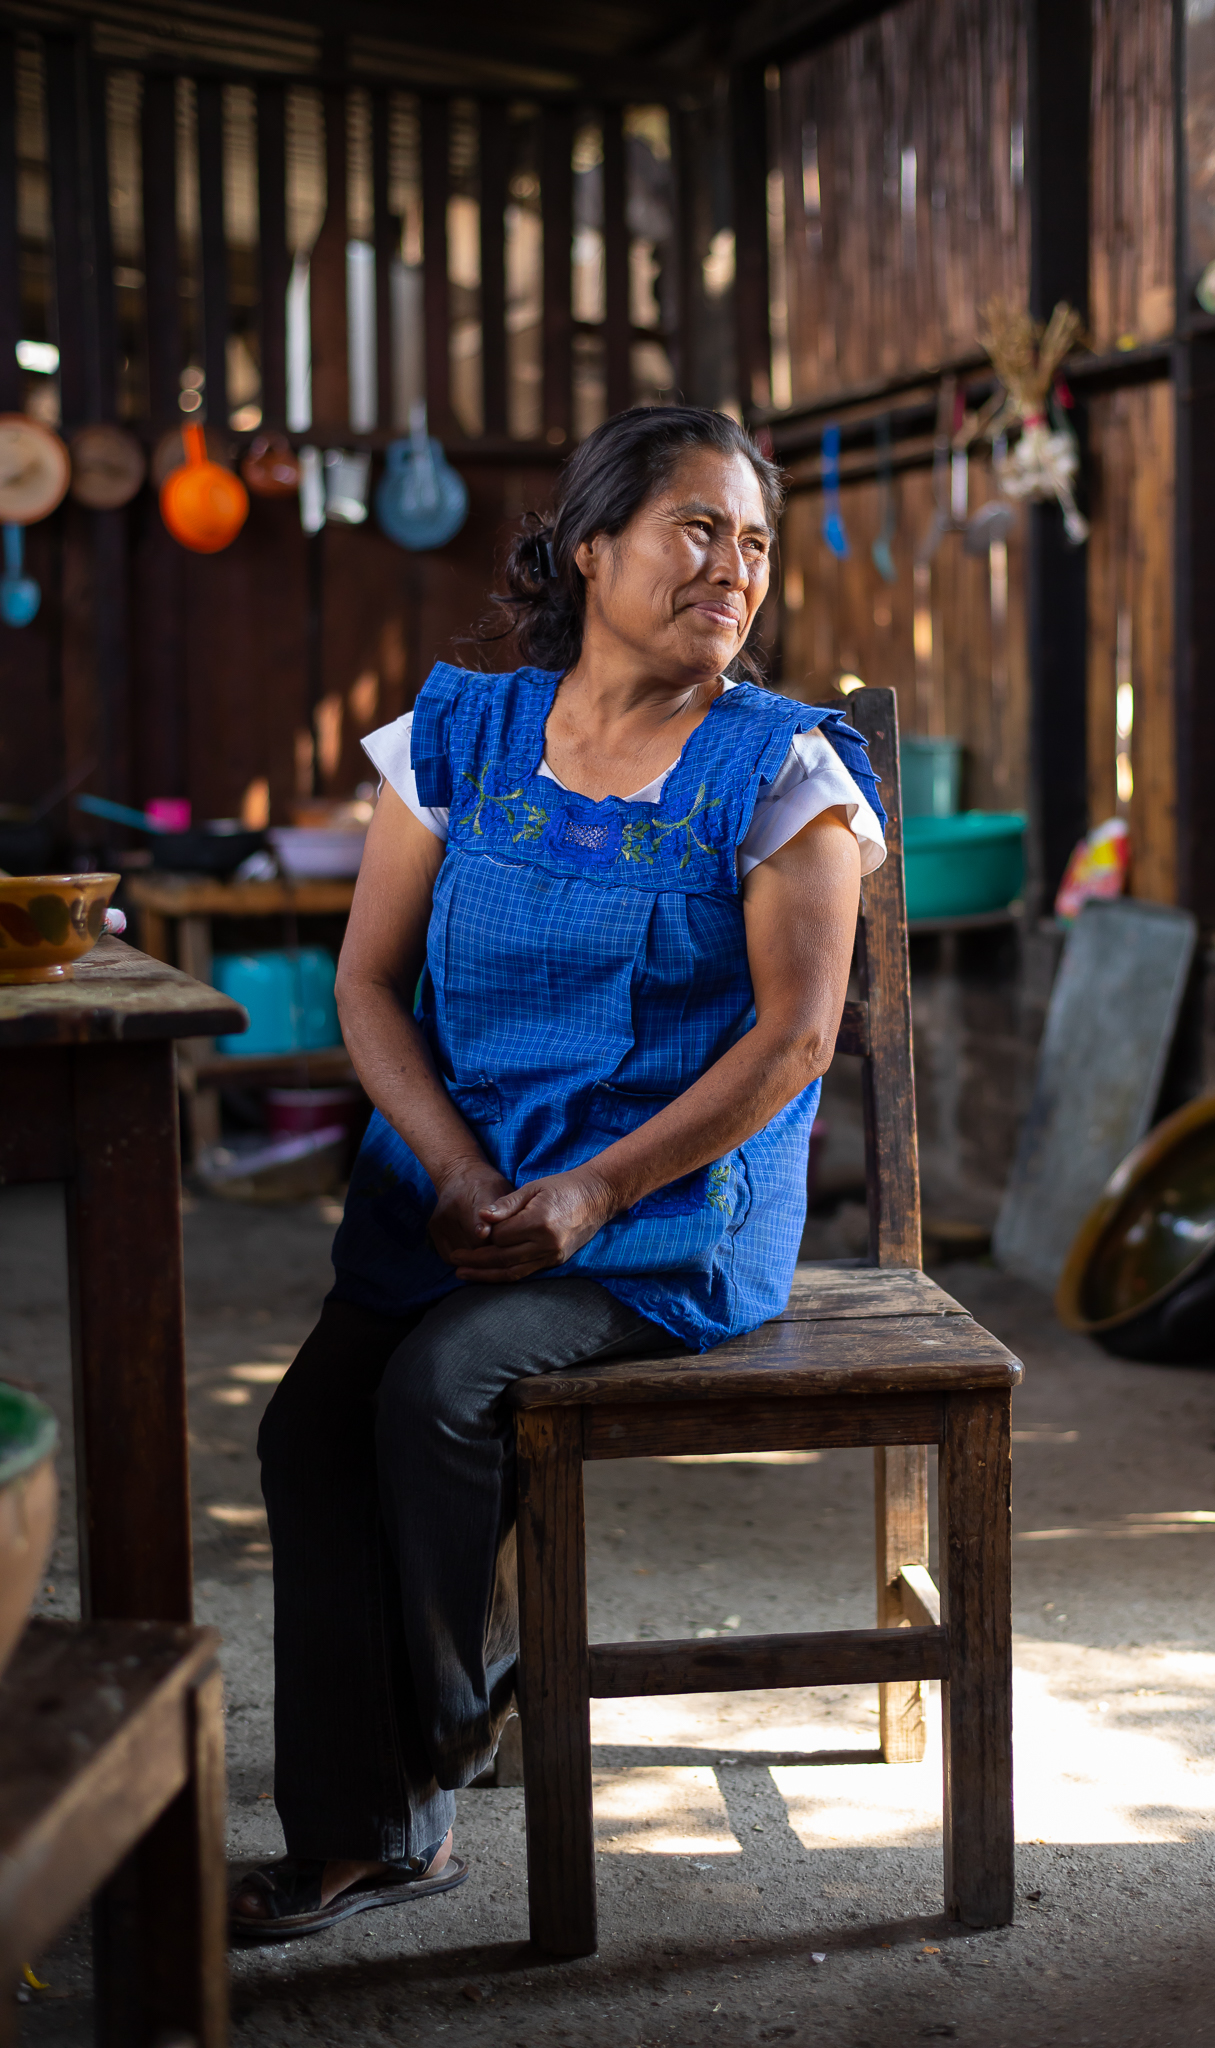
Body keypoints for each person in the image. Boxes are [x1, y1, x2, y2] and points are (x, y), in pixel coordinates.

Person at [230, 405, 885, 1939]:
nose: (734, 569)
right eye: (698, 529)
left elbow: (794, 1044)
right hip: (451, 1193)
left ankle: (444, 1743)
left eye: (756, 546)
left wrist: (590, 1192)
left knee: (439, 1389)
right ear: (593, 548)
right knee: (308, 1430)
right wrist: (455, 1169)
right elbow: (368, 989)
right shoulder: (456, 734)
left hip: (664, 1217)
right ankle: (366, 1828)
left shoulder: (779, 768)